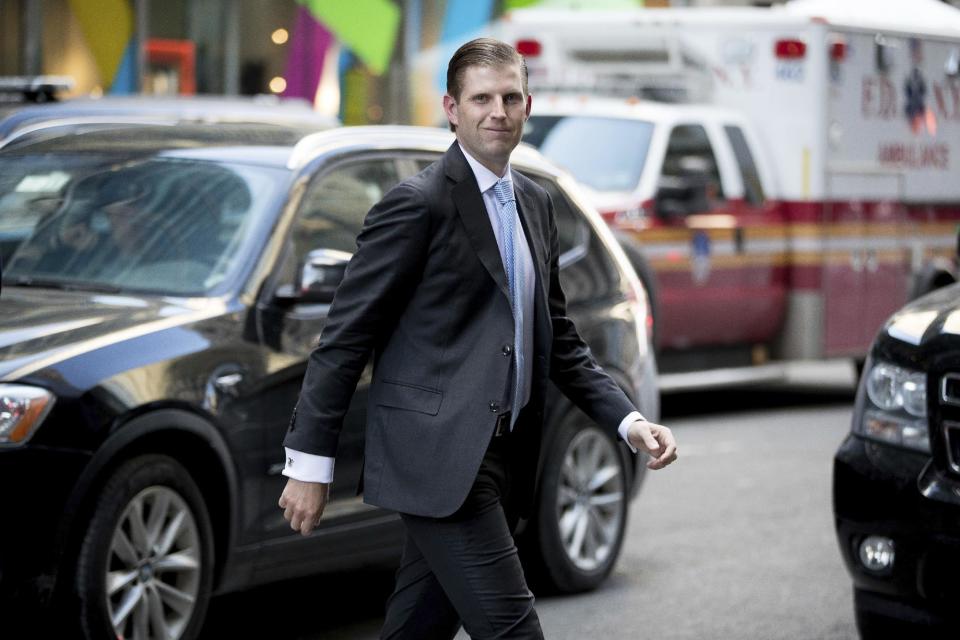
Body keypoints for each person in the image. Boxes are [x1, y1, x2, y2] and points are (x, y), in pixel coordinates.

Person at [278, 38, 678, 639]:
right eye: (482, 98)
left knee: (417, 628)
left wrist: (627, 421)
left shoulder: (536, 205)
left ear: (527, 105)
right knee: (515, 631)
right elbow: (344, 338)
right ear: (451, 108)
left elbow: (559, 341)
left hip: (502, 453)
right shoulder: (417, 205)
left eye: (510, 97)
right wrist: (309, 463)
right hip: (437, 456)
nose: (499, 111)